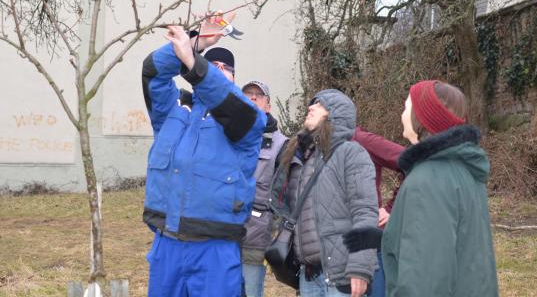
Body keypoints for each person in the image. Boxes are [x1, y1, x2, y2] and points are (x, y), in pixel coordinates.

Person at [141, 21, 266, 297]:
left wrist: (195, 64)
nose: (218, 72)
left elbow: (226, 99)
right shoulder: (174, 109)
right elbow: (152, 73)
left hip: (215, 249)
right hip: (166, 244)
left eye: (226, 70)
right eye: (212, 66)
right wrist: (194, 43)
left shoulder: (247, 118)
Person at [344, 80, 499, 297]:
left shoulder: (426, 180)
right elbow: (450, 242)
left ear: (423, 118)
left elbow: (425, 274)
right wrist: (382, 236)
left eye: (407, 107)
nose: (402, 114)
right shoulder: (464, 170)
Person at [276, 89, 379, 297]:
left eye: (320, 105)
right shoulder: (302, 157)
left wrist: (360, 267)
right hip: (309, 275)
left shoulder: (351, 153)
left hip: (341, 274)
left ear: (336, 114)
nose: (311, 107)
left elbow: (365, 212)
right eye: (311, 104)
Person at [240, 80, 288, 297]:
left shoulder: (282, 145)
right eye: (247, 93)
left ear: (268, 106)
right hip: (220, 232)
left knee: (250, 290)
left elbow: (286, 196)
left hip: (255, 234)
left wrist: (274, 230)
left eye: (258, 95)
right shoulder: (227, 135)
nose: (252, 98)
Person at [352, 127, 405, 297]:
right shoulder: (317, 147)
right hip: (334, 250)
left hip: (369, 245)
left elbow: (414, 162)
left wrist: (392, 208)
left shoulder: (361, 139)